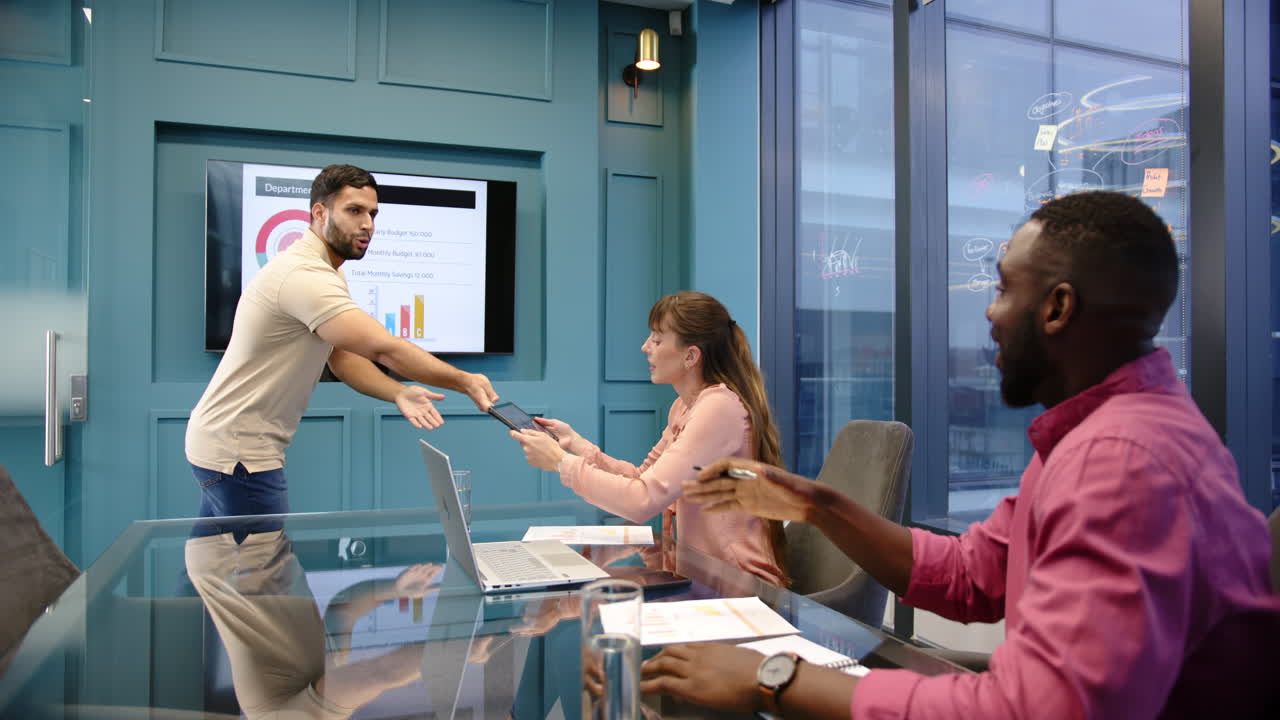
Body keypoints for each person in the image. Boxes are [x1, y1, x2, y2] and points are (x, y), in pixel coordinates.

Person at [640, 191, 1280, 718]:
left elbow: (1036, 713)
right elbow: (974, 575)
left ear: (1057, 307)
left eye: (1003, 290)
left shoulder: (1121, 462)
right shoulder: (1099, 435)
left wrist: (773, 678)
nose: (990, 312)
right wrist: (815, 504)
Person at [186, 164, 498, 534]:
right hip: (242, 455)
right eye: (354, 211)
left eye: (372, 213)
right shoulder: (303, 276)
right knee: (264, 580)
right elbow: (385, 349)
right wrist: (464, 380)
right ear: (320, 213)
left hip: (222, 444)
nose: (367, 224)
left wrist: (397, 391)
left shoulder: (330, 270)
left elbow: (343, 357)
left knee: (213, 569)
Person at [509, 291, 789, 585]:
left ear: (690, 355)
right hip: (701, 577)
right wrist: (576, 446)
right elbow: (643, 479)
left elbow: (642, 500)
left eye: (656, 339)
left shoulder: (718, 408)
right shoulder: (685, 406)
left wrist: (561, 463)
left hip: (738, 586)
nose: (645, 347)